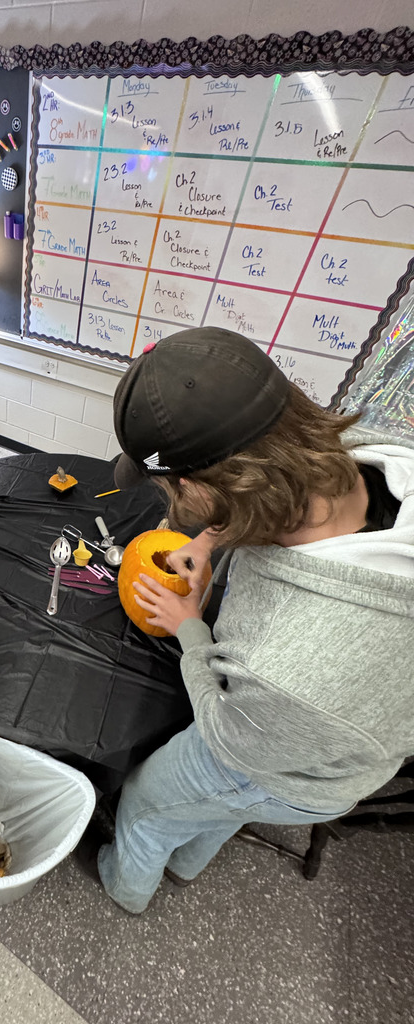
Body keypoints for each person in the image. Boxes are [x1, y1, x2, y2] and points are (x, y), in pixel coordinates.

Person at [93, 325, 414, 914]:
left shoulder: (289, 666)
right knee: (220, 803)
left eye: (170, 492)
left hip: (290, 769)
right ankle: (188, 863)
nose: (170, 507)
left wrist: (191, 626)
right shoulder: (371, 449)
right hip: (303, 738)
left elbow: (226, 734)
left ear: (197, 486)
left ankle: (125, 890)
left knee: (149, 802)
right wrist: (214, 536)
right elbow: (277, 483)